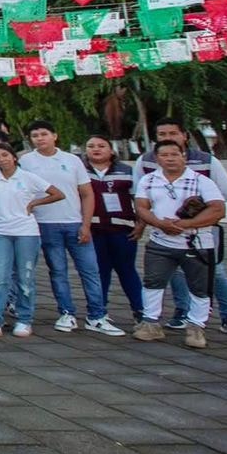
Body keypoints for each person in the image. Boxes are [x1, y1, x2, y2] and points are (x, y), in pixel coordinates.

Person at [133, 118, 227, 338]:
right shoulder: (147, 169)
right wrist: (158, 223)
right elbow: (141, 202)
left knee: (210, 278)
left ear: (184, 137)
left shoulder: (205, 165)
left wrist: (189, 220)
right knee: (159, 279)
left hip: (199, 236)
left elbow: (222, 199)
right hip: (161, 237)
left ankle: (223, 318)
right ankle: (171, 316)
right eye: (162, 135)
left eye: (173, 134)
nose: (168, 140)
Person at [20, 120, 121, 336]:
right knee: (58, 272)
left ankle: (97, 315)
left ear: (54, 135)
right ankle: (66, 312)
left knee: (90, 271)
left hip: (74, 222)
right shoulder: (26, 161)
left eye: (44, 134)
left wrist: (86, 224)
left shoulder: (72, 160)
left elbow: (86, 193)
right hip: (45, 224)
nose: (40, 138)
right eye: (35, 135)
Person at [0, 143, 65, 339]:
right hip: (2, 231)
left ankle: (24, 319)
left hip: (26, 232)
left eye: (5, 155)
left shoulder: (28, 177)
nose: (2, 159)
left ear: (14, 157)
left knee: (25, 277)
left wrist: (35, 202)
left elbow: (57, 194)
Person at [83, 134, 144, 325]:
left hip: (122, 229)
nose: (96, 149)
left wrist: (141, 224)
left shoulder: (126, 171)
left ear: (111, 150)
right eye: (91, 146)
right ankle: (99, 310)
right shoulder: (81, 171)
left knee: (127, 270)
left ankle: (140, 310)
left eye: (101, 145)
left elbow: (139, 200)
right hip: (94, 229)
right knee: (99, 271)